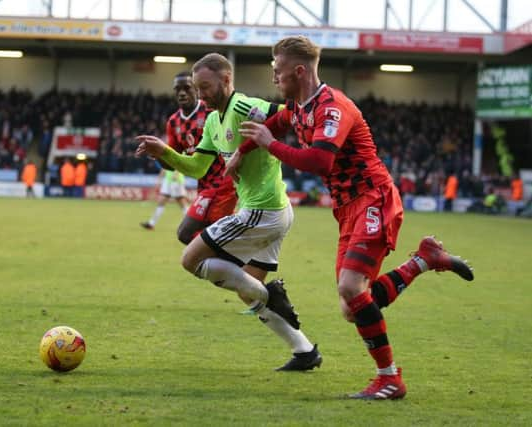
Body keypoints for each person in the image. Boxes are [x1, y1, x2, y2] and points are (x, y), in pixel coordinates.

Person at [231, 36, 474, 398]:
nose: (274, 78)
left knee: (350, 289)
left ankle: (390, 378)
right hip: (347, 209)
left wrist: (267, 144)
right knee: (352, 305)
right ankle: (423, 261)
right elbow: (279, 124)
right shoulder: (298, 106)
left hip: (373, 198)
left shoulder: (332, 107)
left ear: (299, 71)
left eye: (278, 71)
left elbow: (319, 161)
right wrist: (241, 151)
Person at [135, 53, 322, 371]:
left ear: (226, 79)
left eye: (205, 86)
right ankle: (304, 351)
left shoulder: (243, 107)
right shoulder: (211, 120)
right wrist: (164, 152)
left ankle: (270, 296)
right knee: (244, 288)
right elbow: (198, 167)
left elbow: (291, 115)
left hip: (262, 212)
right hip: (273, 211)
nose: (201, 94)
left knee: (191, 259)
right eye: (198, 88)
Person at [140, 71, 237, 244]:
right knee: (207, 239)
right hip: (204, 186)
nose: (182, 93)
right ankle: (243, 264)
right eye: (177, 89)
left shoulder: (210, 112)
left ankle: (242, 262)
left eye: (187, 88)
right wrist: (158, 154)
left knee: (188, 234)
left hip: (224, 183)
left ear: (196, 89)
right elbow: (171, 165)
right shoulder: (174, 122)